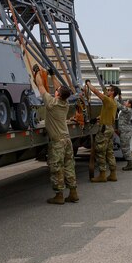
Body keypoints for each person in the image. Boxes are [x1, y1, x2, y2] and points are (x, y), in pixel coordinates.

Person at [34, 69, 78, 205]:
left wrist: (36, 73)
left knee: (57, 168)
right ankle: (73, 193)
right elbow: (61, 89)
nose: (55, 89)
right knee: (69, 166)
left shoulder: (51, 103)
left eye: (57, 90)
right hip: (67, 141)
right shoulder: (65, 104)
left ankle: (59, 195)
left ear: (57, 94)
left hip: (58, 142)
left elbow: (40, 86)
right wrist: (53, 75)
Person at [85, 80, 119, 182]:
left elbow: (96, 92)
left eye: (109, 90)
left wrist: (88, 83)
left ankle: (102, 175)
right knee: (109, 152)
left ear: (112, 92)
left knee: (100, 151)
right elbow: (107, 115)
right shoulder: (114, 103)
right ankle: (113, 174)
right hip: (110, 129)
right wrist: (97, 118)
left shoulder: (108, 100)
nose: (107, 91)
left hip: (104, 129)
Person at [116, 97, 132, 171]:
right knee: (125, 147)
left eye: (127, 102)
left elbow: (120, 106)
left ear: (129, 105)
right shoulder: (127, 109)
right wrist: (120, 96)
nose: (125, 102)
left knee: (125, 148)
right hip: (124, 130)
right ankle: (129, 163)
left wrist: (113, 99)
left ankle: (130, 164)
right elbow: (122, 104)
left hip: (125, 131)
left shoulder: (129, 110)